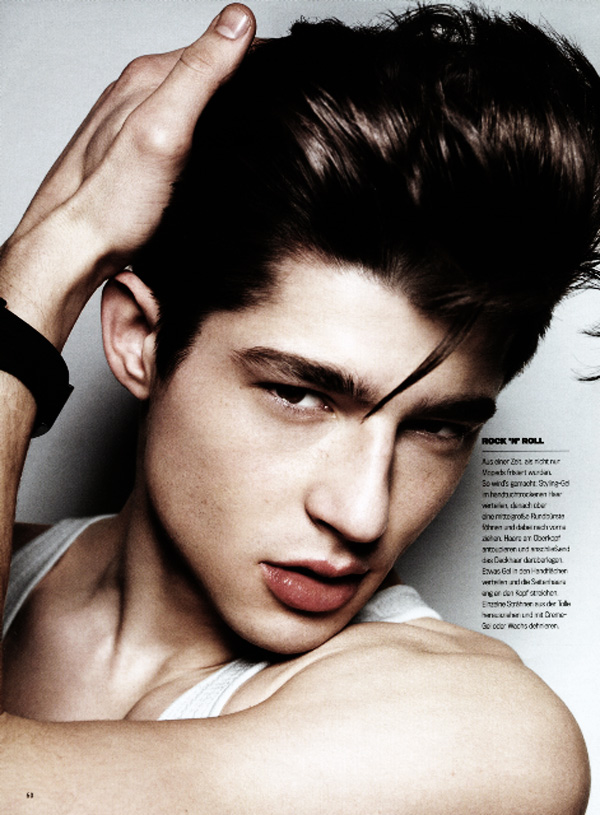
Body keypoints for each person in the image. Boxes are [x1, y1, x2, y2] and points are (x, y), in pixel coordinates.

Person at [0, 3, 596, 812]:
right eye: (300, 393)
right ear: (140, 338)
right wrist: (57, 253)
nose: (362, 513)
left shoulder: (486, 741)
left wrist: (40, 266)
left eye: (437, 426)